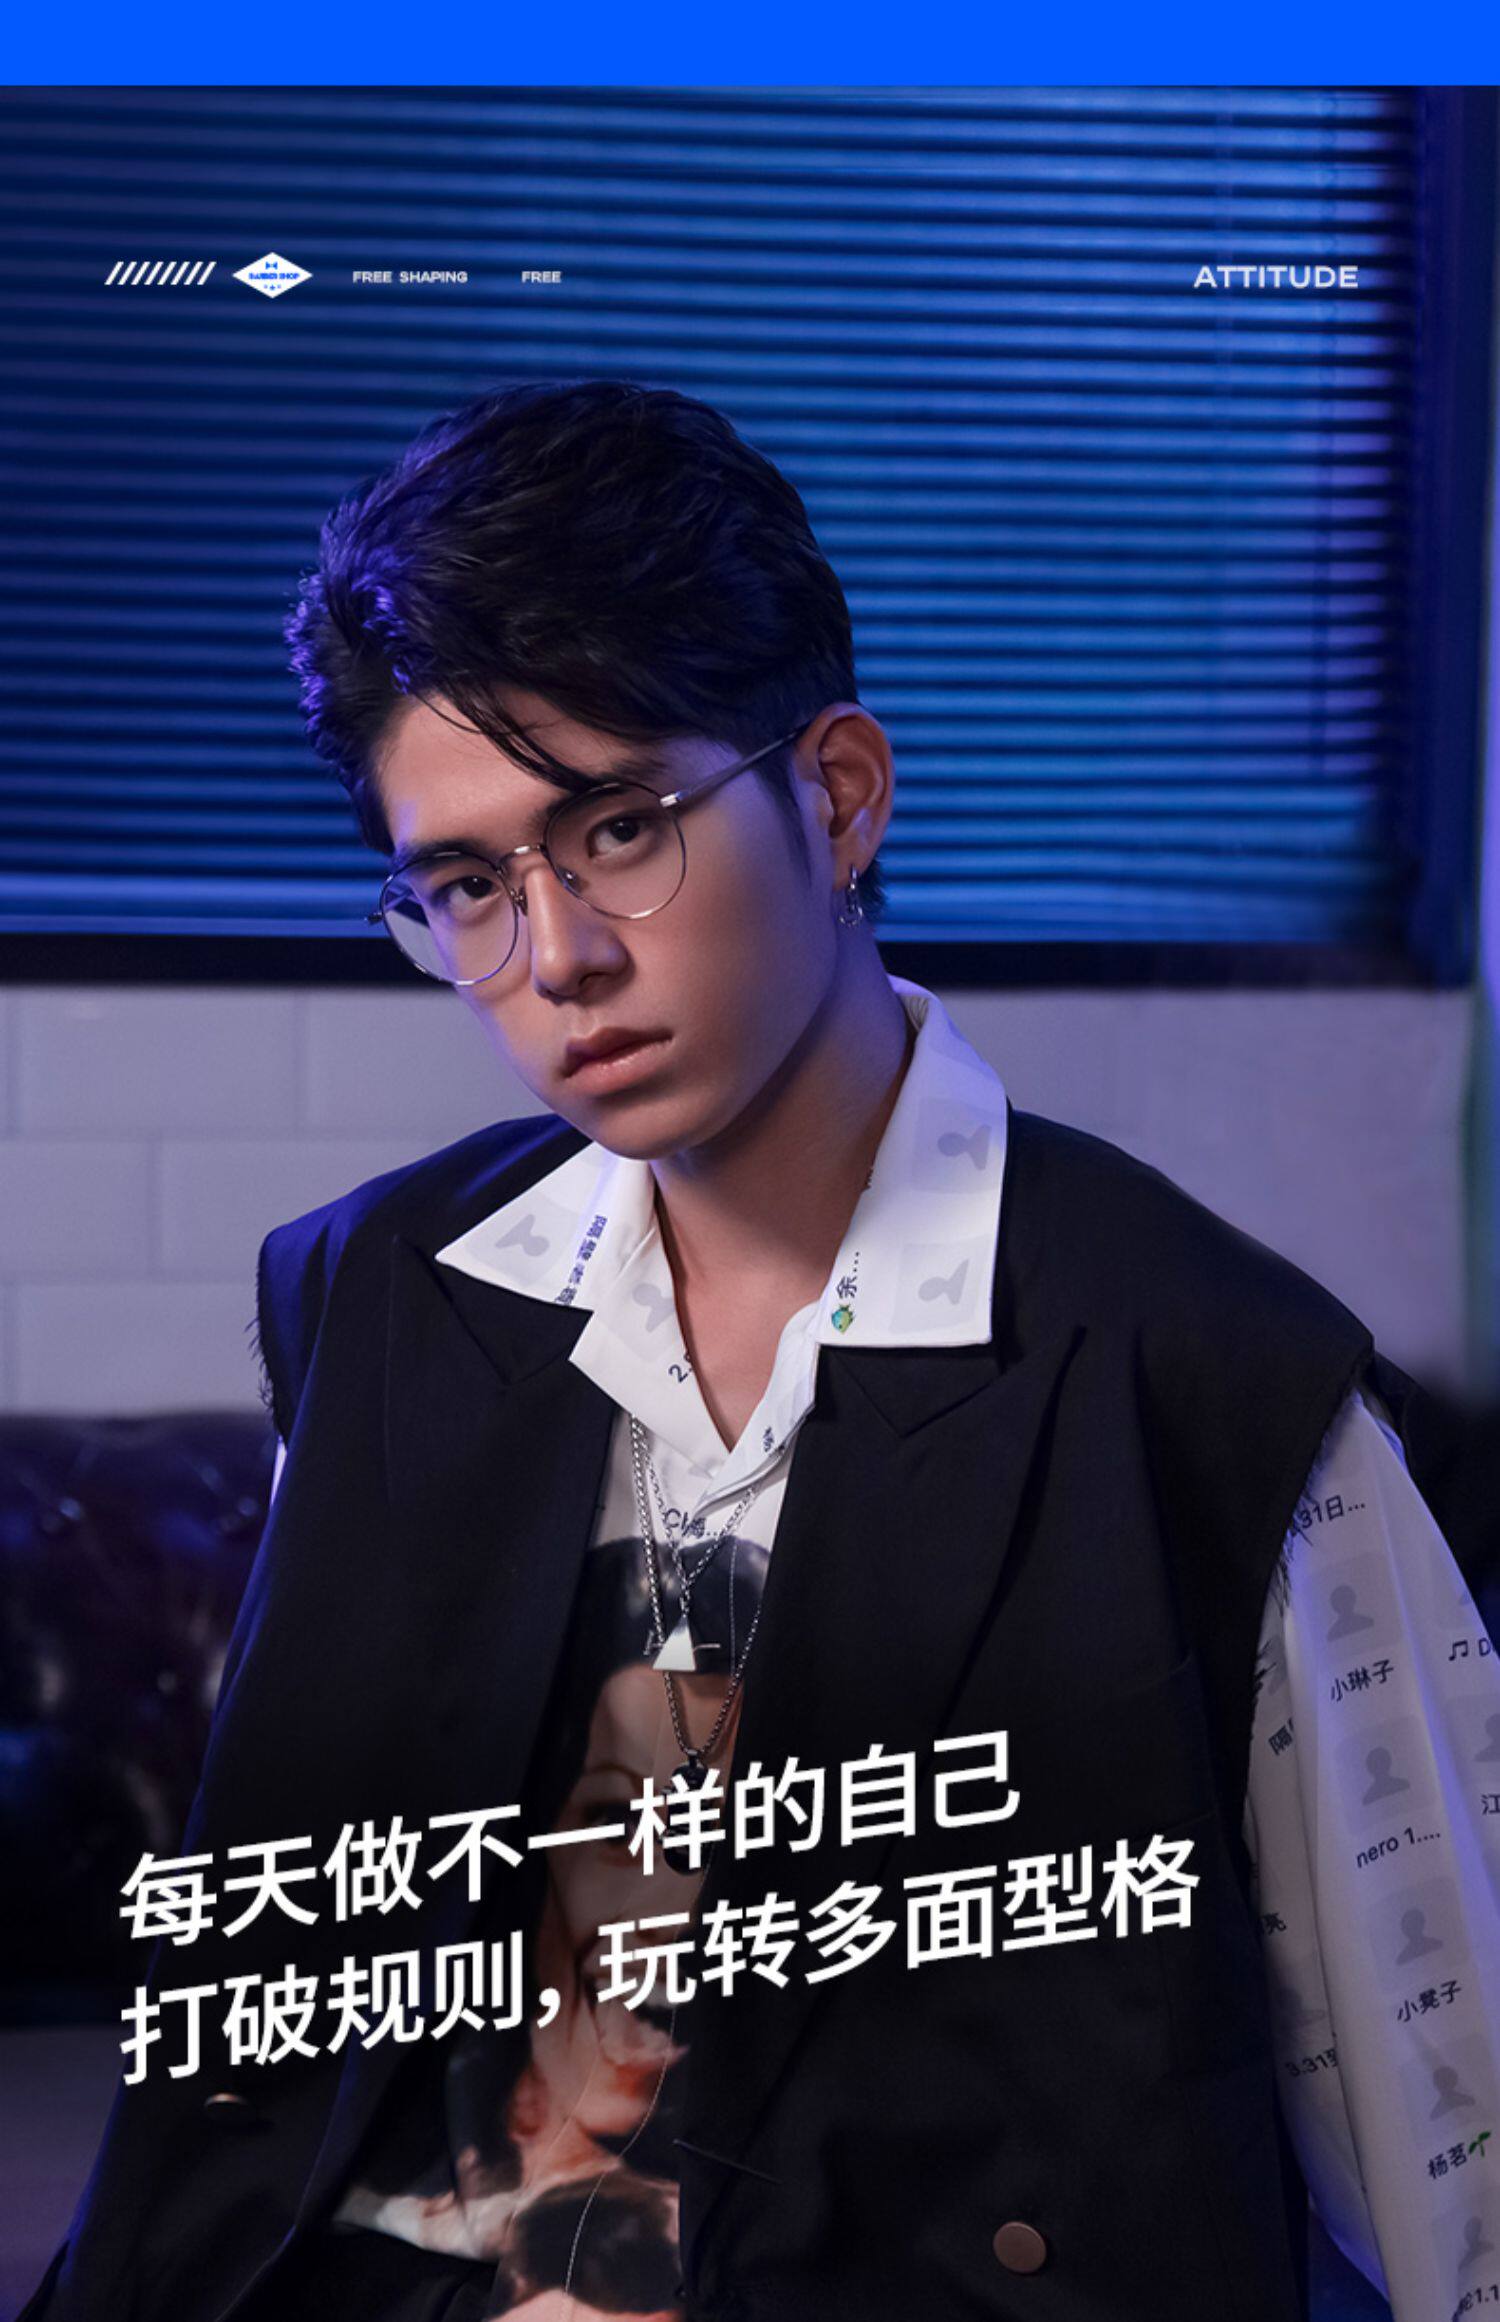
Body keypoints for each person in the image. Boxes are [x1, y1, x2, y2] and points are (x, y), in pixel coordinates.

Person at [23, 378, 1500, 2322]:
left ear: (841, 794)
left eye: (621, 825)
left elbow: (1461, 2168)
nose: (557, 957)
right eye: (467, 885)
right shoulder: (378, 1297)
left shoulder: (1217, 1381)